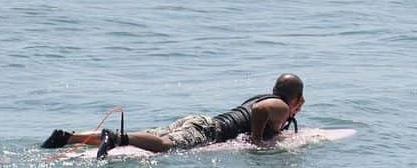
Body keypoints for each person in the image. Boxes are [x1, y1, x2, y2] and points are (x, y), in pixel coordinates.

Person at [39, 73, 305, 158]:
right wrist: (257, 141)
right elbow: (259, 113)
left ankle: (69, 137)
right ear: (296, 98)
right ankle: (117, 138)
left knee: (154, 136)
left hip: (199, 121)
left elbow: (256, 110)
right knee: (166, 147)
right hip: (208, 130)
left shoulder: (263, 97)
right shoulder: (280, 105)